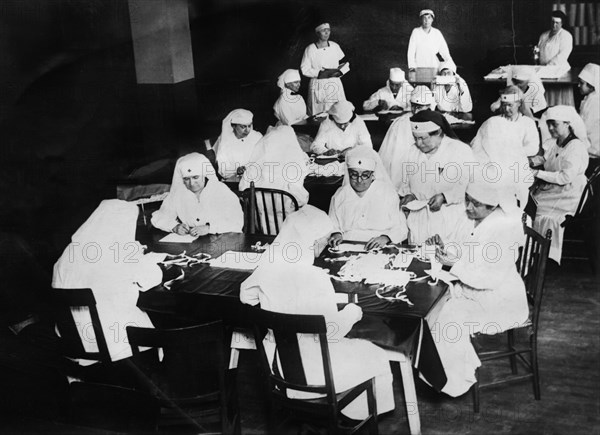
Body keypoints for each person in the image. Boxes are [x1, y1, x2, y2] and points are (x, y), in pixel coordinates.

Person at [240, 205, 395, 420]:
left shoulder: (268, 268)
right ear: (312, 242)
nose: (322, 248)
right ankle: (356, 420)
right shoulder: (316, 278)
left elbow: (246, 296)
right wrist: (353, 311)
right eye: (322, 242)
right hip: (317, 374)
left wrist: (276, 306)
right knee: (376, 355)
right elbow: (333, 331)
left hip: (279, 369)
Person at [424, 175, 528, 397]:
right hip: (476, 292)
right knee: (433, 312)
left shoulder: (503, 229)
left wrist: (454, 264)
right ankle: (442, 375)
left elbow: (489, 278)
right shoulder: (476, 218)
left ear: (493, 206)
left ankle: (453, 381)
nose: (468, 207)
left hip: (500, 299)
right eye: (467, 200)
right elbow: (468, 251)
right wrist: (447, 248)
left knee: (446, 319)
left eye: (475, 204)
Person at [53, 200, 167, 362]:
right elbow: (151, 277)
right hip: (114, 345)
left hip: (73, 342)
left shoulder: (68, 254)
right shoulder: (119, 255)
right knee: (160, 324)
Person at [398, 110, 474, 245]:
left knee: (445, 259)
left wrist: (445, 196)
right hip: (419, 220)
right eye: (415, 138)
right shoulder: (412, 152)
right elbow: (405, 184)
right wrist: (409, 195)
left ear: (438, 132)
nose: (419, 143)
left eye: (422, 138)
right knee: (418, 260)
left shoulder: (460, 150)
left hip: (450, 220)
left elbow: (472, 187)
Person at [531, 105, 589, 264]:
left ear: (567, 124)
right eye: (548, 123)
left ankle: (539, 253)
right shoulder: (557, 142)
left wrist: (537, 173)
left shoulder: (575, 147)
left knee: (534, 210)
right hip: (558, 189)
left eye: (554, 124)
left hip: (569, 194)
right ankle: (533, 250)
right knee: (530, 203)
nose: (550, 128)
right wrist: (533, 161)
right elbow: (550, 159)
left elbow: (565, 177)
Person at [328, 146, 408, 249]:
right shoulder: (340, 195)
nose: (359, 180)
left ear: (372, 175)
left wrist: (386, 237)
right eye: (354, 175)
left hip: (379, 246)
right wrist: (336, 233)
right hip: (347, 245)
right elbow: (332, 224)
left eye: (365, 175)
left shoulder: (387, 193)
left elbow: (401, 228)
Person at [151, 153, 243, 235]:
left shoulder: (220, 190)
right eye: (186, 179)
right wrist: (175, 227)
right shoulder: (179, 193)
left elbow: (236, 221)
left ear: (204, 175)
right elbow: (159, 216)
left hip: (221, 239)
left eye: (195, 177)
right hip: (192, 243)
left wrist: (209, 228)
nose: (191, 183)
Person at [239, 125, 310, 232]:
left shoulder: (257, 164)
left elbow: (243, 191)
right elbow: (300, 199)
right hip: (288, 226)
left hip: (261, 225)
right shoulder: (292, 165)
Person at [378, 85, 437, 192]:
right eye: (413, 106)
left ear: (428, 106)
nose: (415, 110)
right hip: (401, 173)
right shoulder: (400, 123)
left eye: (419, 107)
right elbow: (386, 155)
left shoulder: (435, 123)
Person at [470, 116, 534, 213]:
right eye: (490, 136)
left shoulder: (514, 152)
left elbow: (526, 181)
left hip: (510, 206)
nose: (493, 140)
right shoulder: (477, 155)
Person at [300, 22, 347, 115]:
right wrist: (321, 73)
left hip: (334, 83)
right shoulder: (310, 49)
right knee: (318, 112)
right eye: (323, 31)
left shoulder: (334, 46)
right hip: (318, 84)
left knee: (338, 111)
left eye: (328, 30)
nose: (326, 33)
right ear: (317, 33)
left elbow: (339, 64)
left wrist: (339, 71)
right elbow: (304, 69)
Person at [488, 86, 541, 161]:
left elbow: (533, 148)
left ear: (519, 103)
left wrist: (511, 153)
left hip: (519, 161)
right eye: (504, 105)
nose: (506, 109)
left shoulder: (528, 123)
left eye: (510, 105)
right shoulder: (495, 121)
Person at [214, 109, 263, 181]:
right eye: (243, 127)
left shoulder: (257, 137)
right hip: (234, 181)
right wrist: (236, 170)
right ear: (233, 126)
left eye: (249, 126)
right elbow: (223, 169)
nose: (247, 130)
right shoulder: (225, 141)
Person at [578, 63, 600, 165]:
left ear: (591, 85)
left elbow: (584, 128)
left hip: (594, 149)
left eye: (581, 83)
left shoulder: (594, 102)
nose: (578, 85)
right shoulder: (589, 98)